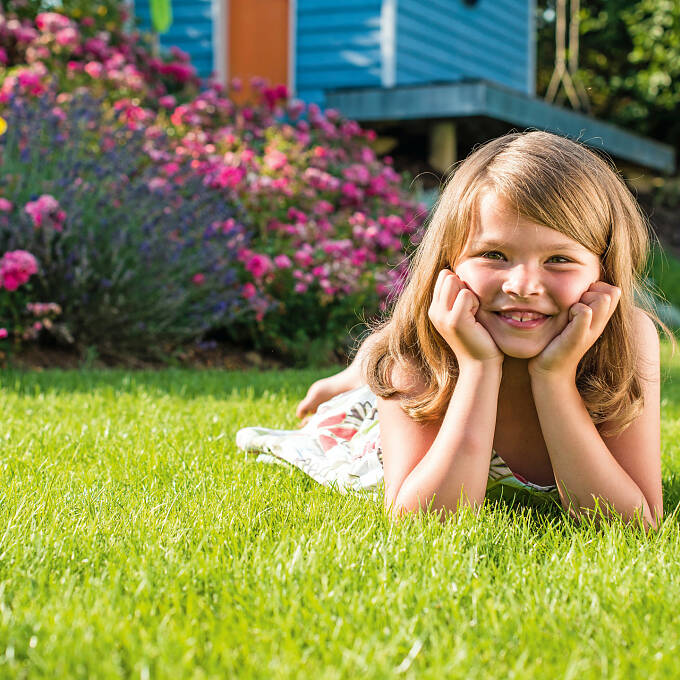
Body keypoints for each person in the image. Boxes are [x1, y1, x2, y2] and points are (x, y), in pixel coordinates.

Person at [239, 131, 674, 529]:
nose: (522, 286)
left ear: (604, 268)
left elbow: (635, 522)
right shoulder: (415, 348)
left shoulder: (626, 339)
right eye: (494, 254)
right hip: (390, 413)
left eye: (559, 259)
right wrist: (479, 368)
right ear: (449, 261)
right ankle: (355, 378)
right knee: (378, 368)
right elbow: (421, 522)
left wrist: (554, 378)